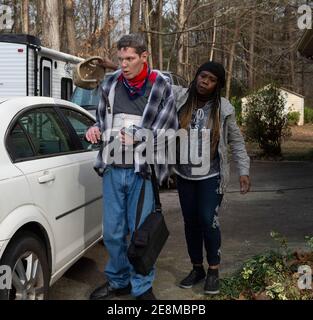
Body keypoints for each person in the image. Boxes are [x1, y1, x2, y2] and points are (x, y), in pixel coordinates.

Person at [85, 33, 178, 300]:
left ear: (144, 57)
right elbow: (101, 121)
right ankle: (118, 282)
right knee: (113, 234)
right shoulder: (110, 84)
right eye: (120, 58)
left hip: (142, 172)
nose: (124, 64)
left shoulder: (160, 86)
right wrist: (94, 129)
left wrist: (141, 136)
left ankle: (142, 287)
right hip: (113, 169)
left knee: (140, 235)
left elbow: (171, 131)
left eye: (130, 58)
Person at [172, 61, 251, 295]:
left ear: (217, 84)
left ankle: (213, 270)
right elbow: (151, 82)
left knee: (208, 219)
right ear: (196, 76)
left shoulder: (224, 109)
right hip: (184, 174)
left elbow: (236, 141)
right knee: (191, 222)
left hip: (211, 175)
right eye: (202, 76)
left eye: (211, 79)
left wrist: (243, 170)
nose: (204, 81)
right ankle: (197, 268)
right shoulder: (181, 99)